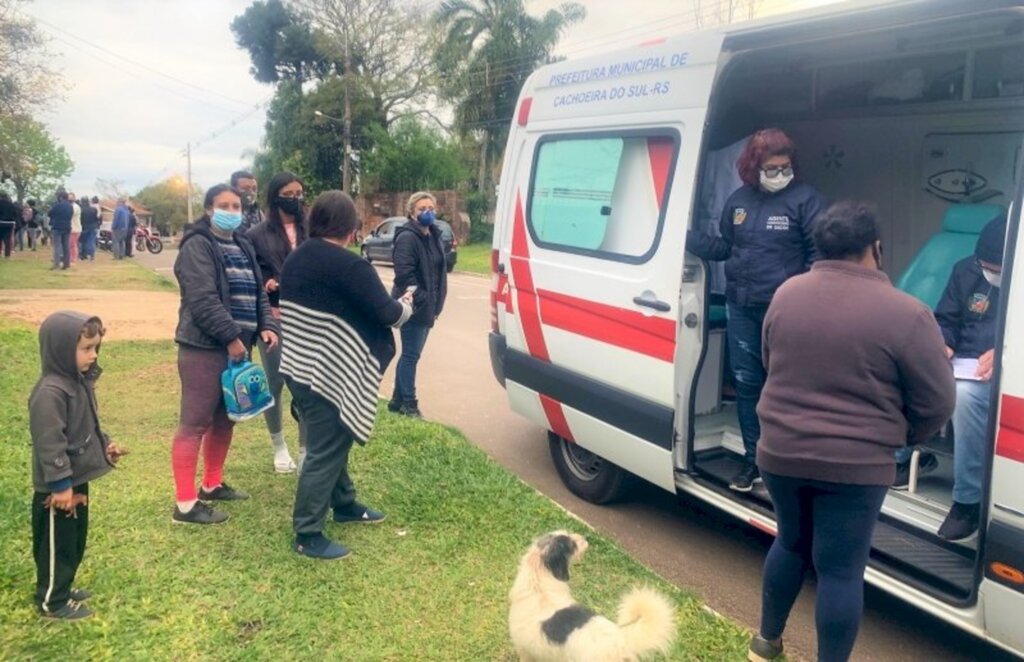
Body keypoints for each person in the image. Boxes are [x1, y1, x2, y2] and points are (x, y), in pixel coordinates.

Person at [748, 201, 955, 662]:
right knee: (840, 571)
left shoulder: (786, 293)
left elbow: (770, 362)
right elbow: (938, 402)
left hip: (780, 451)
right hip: (856, 466)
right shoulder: (908, 313)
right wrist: (903, 437)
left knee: (790, 541)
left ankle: (765, 644)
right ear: (876, 249)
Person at [686, 128, 827, 492]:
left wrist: (802, 300)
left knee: (788, 387)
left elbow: (820, 258)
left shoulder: (807, 201)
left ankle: (793, 466)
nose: (780, 174)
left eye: (785, 167)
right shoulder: (738, 202)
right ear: (753, 167)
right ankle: (754, 462)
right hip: (742, 307)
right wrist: (683, 237)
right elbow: (724, 249)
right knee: (748, 385)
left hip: (786, 311)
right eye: (772, 168)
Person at [279, 191, 413, 559]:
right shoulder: (349, 265)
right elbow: (388, 314)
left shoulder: (297, 258)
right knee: (325, 450)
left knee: (335, 439)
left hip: (298, 367)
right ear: (351, 227)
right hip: (327, 373)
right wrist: (407, 304)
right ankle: (307, 533)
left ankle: (345, 504)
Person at [170, 184, 279, 525]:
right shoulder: (197, 246)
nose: (232, 211)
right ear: (207, 210)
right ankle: (185, 505)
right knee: (195, 422)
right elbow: (202, 299)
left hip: (239, 345)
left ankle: (212, 484)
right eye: (223, 205)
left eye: (236, 206)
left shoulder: (243, 243)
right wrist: (232, 338)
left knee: (224, 419)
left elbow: (258, 290)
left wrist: (266, 325)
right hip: (204, 346)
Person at [29, 311, 127, 620]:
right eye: (86, 348)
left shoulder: (79, 383)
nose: (93, 355)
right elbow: (50, 442)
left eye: (96, 347)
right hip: (58, 489)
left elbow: (87, 425)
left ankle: (63, 586)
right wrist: (60, 485)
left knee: (73, 540)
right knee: (56, 545)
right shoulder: (50, 393)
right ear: (60, 349)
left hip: (76, 480)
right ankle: (52, 602)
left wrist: (105, 445)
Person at [927, 214, 1006, 541]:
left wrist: (1006, 353)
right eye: (985, 266)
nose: (990, 274)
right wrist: (943, 343)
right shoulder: (965, 269)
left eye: (997, 270)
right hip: (961, 361)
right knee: (911, 368)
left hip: (1001, 370)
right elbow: (946, 318)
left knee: (965, 396)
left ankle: (966, 502)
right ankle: (901, 461)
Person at [246, 172, 307, 474]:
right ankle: (279, 446)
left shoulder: (312, 230)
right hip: (275, 316)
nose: (296, 198)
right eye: (289, 193)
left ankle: (306, 451)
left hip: (309, 318)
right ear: (275, 196)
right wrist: (267, 282)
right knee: (275, 382)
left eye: (299, 192)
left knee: (308, 385)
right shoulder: (257, 234)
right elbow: (252, 272)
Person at [388, 191, 449, 418]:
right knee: (411, 356)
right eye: (422, 209)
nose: (428, 212)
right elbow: (404, 275)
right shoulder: (407, 237)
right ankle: (409, 404)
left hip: (429, 306)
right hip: (413, 307)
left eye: (431, 208)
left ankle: (396, 400)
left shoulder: (433, 235)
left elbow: (438, 270)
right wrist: (423, 300)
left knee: (409, 355)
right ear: (412, 212)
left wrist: (435, 302)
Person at [48, 191, 73, 270]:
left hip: (57, 226)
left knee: (57, 246)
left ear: (60, 197)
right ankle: (67, 264)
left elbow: (50, 213)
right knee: (66, 247)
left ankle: (56, 264)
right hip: (67, 227)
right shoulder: (70, 206)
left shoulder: (57, 205)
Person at [79, 194, 100, 261]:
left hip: (83, 227)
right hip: (93, 227)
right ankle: (92, 255)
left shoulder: (80, 210)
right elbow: (96, 219)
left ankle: (83, 255)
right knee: (91, 241)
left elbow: (80, 219)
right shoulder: (94, 209)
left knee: (82, 242)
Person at [0, 192, 18, 258]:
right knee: (7, 239)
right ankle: (7, 255)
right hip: (9, 223)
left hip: (1, 222)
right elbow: (15, 214)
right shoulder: (11, 205)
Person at [68, 193, 82, 263]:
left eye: (71, 198)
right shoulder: (71, 206)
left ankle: (73, 258)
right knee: (71, 244)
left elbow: (71, 214)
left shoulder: (75, 207)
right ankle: (71, 257)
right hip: (72, 228)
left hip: (75, 228)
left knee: (72, 245)